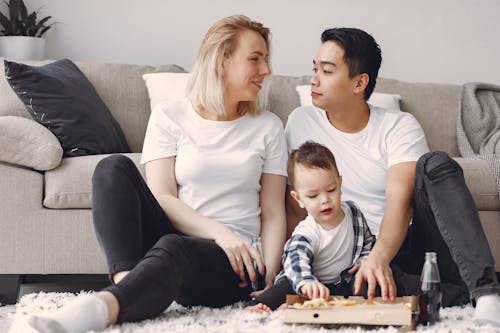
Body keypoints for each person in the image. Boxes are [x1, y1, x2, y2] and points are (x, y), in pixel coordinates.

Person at [28, 15, 287, 333]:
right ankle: (127, 286)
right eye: (255, 59)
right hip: (184, 237)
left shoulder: (268, 127)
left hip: (236, 262)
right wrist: (219, 231)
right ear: (221, 60)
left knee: (175, 247)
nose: (266, 70)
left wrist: (271, 278)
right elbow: (162, 196)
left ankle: (104, 307)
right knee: (112, 167)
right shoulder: (170, 116)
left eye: (266, 59)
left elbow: (274, 213)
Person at [284, 27, 500, 325]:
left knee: (435, 162)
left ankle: (487, 295)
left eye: (327, 70)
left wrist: (379, 257)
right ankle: (452, 293)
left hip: (404, 246)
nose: (314, 79)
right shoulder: (300, 122)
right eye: (315, 68)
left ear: (359, 82)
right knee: (370, 288)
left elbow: (401, 202)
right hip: (348, 258)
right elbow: (293, 202)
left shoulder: (399, 126)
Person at [246, 141, 375, 312]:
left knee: (364, 288)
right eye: (313, 196)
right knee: (282, 289)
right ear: (298, 199)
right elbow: (295, 261)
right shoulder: (307, 231)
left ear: (340, 184)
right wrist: (307, 282)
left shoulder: (353, 213)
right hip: (302, 281)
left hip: (339, 284)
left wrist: (364, 260)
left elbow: (368, 240)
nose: (324, 200)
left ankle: (299, 304)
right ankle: (259, 306)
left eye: (331, 190)